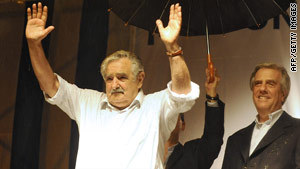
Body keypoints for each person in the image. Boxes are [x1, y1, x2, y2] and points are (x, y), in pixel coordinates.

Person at [26, 2, 200, 169]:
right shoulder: (88, 102)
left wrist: (173, 48)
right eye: (109, 79)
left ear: (140, 79)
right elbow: (50, 85)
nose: (114, 84)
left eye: (122, 77)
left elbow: (183, 93)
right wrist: (34, 45)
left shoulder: (156, 106)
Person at [222, 63, 300, 169]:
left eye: (270, 84)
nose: (262, 88)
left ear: (283, 94)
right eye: (258, 83)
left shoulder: (297, 130)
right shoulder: (234, 140)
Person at [164, 68, 225, 169]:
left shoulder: (192, 155)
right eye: (164, 113)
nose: (167, 117)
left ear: (182, 124)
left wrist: (211, 94)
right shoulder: (143, 152)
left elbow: (212, 139)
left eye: (173, 114)